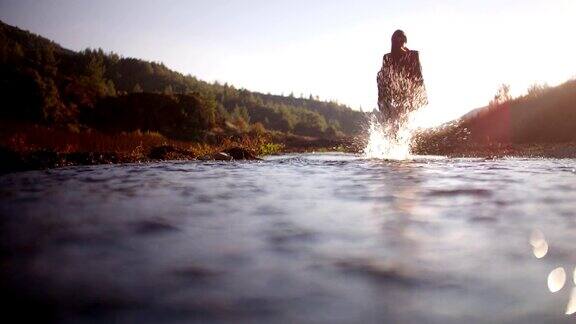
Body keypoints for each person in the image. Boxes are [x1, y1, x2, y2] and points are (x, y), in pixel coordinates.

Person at [377, 30, 427, 128]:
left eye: (401, 40)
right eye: (396, 41)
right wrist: (382, 100)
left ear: (404, 41)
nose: (399, 43)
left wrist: (421, 96)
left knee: (402, 121)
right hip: (392, 94)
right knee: (395, 122)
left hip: (407, 93)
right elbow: (383, 76)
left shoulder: (413, 55)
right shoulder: (388, 57)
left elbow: (418, 75)